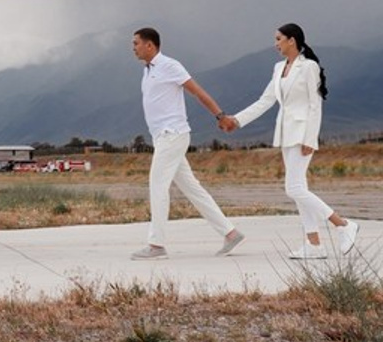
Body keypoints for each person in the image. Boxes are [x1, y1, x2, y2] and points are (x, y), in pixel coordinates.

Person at [219, 23, 359, 259]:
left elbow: (315, 105)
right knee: (299, 189)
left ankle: (343, 224)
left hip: (302, 134)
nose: (275, 44)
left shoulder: (309, 67)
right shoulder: (279, 68)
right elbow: (265, 101)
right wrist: (237, 120)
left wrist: (310, 138)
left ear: (291, 40)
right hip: (285, 134)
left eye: (278, 39)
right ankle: (314, 245)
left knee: (293, 188)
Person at [130, 27, 244, 259]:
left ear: (150, 45)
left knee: (157, 186)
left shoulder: (170, 65)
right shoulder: (148, 71)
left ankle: (156, 245)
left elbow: (197, 92)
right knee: (192, 189)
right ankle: (230, 233)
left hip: (173, 135)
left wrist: (220, 115)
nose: (133, 48)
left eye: (136, 43)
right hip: (163, 137)